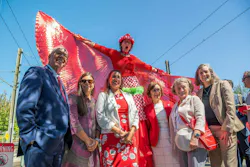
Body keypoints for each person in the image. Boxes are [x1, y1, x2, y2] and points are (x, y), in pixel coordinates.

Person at [76, 33, 161, 165]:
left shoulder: (133, 58)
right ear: (121, 44)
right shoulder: (114, 54)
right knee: (116, 110)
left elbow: (145, 66)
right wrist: (85, 41)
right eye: (125, 42)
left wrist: (156, 70)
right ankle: (120, 135)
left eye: (130, 43)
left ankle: (139, 146)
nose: (127, 44)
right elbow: (99, 48)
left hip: (133, 87)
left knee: (137, 114)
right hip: (121, 85)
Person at [16, 46, 72, 167]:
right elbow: (25, 106)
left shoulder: (61, 85)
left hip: (58, 147)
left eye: (65, 56)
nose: (62, 56)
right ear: (49, 57)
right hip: (39, 145)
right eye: (58, 53)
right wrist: (30, 137)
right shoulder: (37, 72)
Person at [195, 64, 244, 167]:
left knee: (229, 164)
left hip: (225, 130)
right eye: (201, 73)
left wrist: (227, 129)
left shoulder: (222, 84)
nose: (204, 74)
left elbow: (231, 108)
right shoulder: (199, 93)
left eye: (206, 71)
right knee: (216, 164)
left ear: (211, 73)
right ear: (198, 76)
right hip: (210, 133)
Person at [95, 70, 139, 167]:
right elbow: (100, 116)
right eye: (113, 76)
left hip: (128, 138)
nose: (116, 79)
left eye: (118, 77)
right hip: (111, 137)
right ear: (109, 80)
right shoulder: (103, 95)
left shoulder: (128, 96)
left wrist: (131, 134)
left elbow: (136, 115)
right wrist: (119, 132)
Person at [62, 72, 100, 167]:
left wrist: (96, 140)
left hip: (93, 148)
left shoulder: (95, 101)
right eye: (84, 81)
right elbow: (74, 123)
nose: (87, 83)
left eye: (90, 81)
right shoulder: (73, 98)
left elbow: (98, 125)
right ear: (80, 83)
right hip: (77, 147)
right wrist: (88, 141)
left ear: (93, 84)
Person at [169, 77, 207, 167]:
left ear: (189, 88)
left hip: (194, 142)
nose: (181, 90)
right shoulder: (175, 106)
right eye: (178, 88)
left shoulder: (194, 100)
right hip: (181, 143)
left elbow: (201, 119)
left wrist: (195, 138)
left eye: (183, 87)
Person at [144, 82, 179, 167]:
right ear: (150, 93)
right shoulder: (146, 109)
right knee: (160, 163)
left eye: (158, 90)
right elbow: (146, 127)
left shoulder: (170, 104)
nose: (157, 92)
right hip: (156, 140)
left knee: (174, 161)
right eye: (154, 90)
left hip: (171, 137)